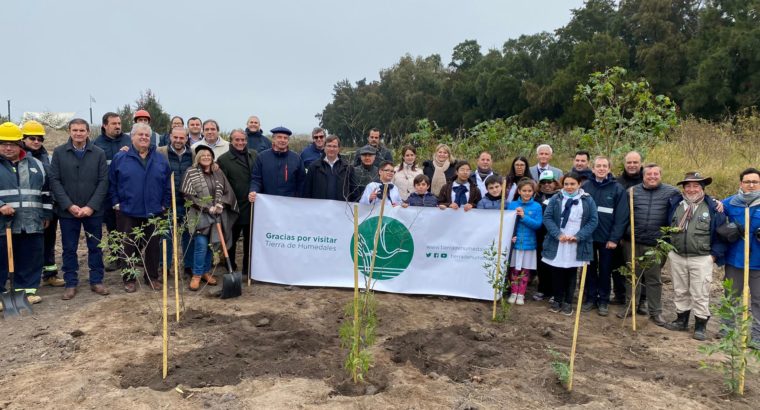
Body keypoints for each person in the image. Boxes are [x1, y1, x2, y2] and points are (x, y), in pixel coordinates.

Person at [49, 118, 110, 299]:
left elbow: (103, 182)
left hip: (93, 212)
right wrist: (68, 205)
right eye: (75, 130)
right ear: (69, 131)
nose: (78, 133)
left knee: (96, 247)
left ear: (88, 133)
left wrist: (91, 207)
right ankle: (70, 283)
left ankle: (97, 281)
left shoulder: (98, 153)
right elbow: (55, 181)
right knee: (69, 248)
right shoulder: (59, 153)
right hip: (68, 212)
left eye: (82, 130)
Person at [108, 123, 171, 293]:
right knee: (128, 245)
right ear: (132, 137)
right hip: (128, 210)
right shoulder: (120, 158)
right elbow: (112, 183)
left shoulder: (159, 159)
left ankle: (152, 277)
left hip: (154, 210)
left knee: (153, 246)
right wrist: (116, 202)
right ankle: (129, 278)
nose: (144, 138)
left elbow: (167, 183)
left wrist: (164, 203)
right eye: (140, 135)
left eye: (147, 135)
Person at [664, 172, 726, 341]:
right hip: (677, 256)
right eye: (688, 186)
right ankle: (681, 320)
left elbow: (721, 234)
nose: (692, 189)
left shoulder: (713, 208)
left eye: (696, 186)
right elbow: (666, 225)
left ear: (702, 188)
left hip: (702, 257)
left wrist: (713, 256)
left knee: (700, 292)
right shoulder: (675, 204)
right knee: (680, 289)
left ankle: (700, 325)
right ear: (683, 188)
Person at [617, 164, 681, 325]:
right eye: (648, 174)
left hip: (656, 244)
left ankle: (655, 312)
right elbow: (623, 215)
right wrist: (621, 235)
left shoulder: (672, 192)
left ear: (660, 175)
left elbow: (690, 201)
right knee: (632, 276)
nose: (652, 177)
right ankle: (630, 306)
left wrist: (713, 200)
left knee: (654, 279)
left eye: (655, 174)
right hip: (633, 242)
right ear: (643, 176)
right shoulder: (632, 192)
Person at [0, 122, 52, 305]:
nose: (8, 147)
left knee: (31, 256)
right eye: (3, 143)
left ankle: (27, 291)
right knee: (3, 259)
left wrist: (46, 214)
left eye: (12, 143)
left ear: (19, 144)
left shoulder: (35, 164)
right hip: (4, 224)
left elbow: (46, 192)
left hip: (32, 221)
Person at [182, 145, 238, 290]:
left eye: (209, 155)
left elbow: (228, 191)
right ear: (198, 157)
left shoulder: (218, 172)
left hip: (217, 215)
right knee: (201, 244)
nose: (206, 157)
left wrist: (221, 204)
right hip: (200, 214)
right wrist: (207, 207)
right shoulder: (191, 172)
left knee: (211, 246)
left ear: (212, 157)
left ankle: (206, 272)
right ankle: (196, 275)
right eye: (203, 155)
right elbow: (188, 195)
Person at [542, 172, 598, 316]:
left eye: (572, 184)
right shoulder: (556, 198)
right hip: (558, 240)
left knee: (571, 272)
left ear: (579, 184)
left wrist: (578, 236)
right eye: (566, 184)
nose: (569, 187)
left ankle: (568, 302)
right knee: (556, 271)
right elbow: (547, 218)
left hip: (575, 241)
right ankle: (557, 299)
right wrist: (558, 234)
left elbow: (593, 220)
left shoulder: (587, 199)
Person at [581, 156, 628, 316]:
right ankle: (590, 298)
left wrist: (614, 238)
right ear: (592, 169)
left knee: (606, 270)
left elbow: (621, 217)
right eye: (598, 166)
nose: (601, 168)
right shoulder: (585, 186)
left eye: (604, 166)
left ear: (609, 169)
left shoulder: (617, 189)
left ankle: (603, 301)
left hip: (607, 239)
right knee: (589, 269)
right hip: (588, 237)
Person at [21, 120, 64, 287]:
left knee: (49, 240)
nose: (37, 142)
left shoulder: (46, 156)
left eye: (40, 139)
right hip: (27, 211)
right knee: (28, 245)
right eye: (32, 138)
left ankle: (50, 273)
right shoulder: (19, 158)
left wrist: (49, 209)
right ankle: (25, 279)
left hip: (47, 207)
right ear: (23, 139)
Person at [721, 167, 760, 347]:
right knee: (731, 296)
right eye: (747, 182)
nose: (751, 185)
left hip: (758, 262)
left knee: (758, 299)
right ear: (741, 184)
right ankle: (727, 329)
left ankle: (757, 336)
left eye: (755, 182)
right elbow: (717, 215)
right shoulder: (730, 203)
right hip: (735, 259)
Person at [94, 112, 131, 271]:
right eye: (113, 124)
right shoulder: (97, 143)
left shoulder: (128, 140)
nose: (117, 126)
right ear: (104, 125)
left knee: (129, 226)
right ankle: (116, 257)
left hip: (127, 192)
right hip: (107, 194)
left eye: (119, 123)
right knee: (113, 228)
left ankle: (131, 256)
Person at [157, 126, 195, 276]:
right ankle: (165, 267)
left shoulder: (192, 154)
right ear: (170, 137)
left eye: (182, 138)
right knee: (166, 237)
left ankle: (188, 266)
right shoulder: (160, 152)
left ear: (186, 138)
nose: (178, 141)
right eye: (176, 137)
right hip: (167, 203)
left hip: (187, 203)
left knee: (188, 235)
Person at [217, 129, 257, 274]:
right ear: (231, 141)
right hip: (234, 207)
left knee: (250, 239)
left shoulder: (254, 155)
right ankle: (230, 266)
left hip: (252, 204)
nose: (241, 143)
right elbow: (222, 184)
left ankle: (248, 268)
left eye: (243, 140)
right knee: (231, 239)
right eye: (237, 140)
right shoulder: (224, 160)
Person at [506, 179, 543, 305]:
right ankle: (513, 292)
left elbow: (537, 225)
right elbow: (507, 223)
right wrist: (510, 236)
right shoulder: (512, 204)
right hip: (515, 243)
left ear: (533, 192)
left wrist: (523, 217)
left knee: (525, 270)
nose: (527, 193)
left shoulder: (537, 206)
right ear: (519, 191)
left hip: (529, 244)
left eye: (529, 191)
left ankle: (521, 294)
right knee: (514, 269)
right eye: (524, 191)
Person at [248, 127, 305, 202]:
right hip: (268, 203)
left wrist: (299, 200)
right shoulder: (262, 157)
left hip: (289, 204)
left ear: (288, 141)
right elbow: (256, 179)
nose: (282, 140)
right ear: (273, 139)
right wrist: (253, 191)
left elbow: (301, 182)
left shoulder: (296, 159)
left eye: (285, 138)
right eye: (279, 137)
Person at [534, 170, 561, 301]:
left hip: (555, 234)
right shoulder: (536, 197)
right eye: (543, 182)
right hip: (540, 234)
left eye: (549, 182)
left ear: (555, 183)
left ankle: (555, 291)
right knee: (541, 263)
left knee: (554, 263)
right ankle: (542, 289)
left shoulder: (561, 196)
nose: (546, 185)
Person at [302, 135, 354, 201]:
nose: (331, 149)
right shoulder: (314, 167)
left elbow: (353, 192)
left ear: (339, 149)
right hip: (319, 209)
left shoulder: (347, 168)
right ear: (324, 147)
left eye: (334, 146)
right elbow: (307, 191)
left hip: (341, 209)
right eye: (329, 146)